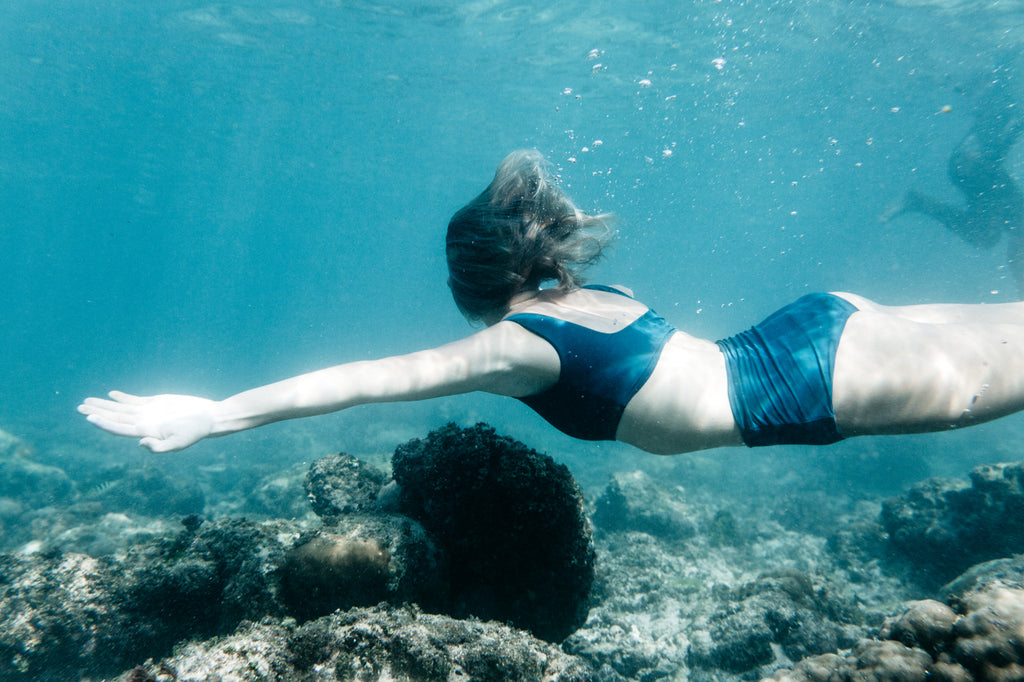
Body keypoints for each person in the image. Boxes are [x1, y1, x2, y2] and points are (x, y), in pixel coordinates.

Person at [80, 150, 1024, 456]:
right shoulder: (578, 292)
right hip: (818, 330)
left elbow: (364, 380)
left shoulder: (515, 344)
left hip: (821, 381)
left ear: (472, 288)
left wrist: (214, 414)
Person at [880, 77, 1024, 291]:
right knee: (998, 232)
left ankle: (917, 202)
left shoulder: (1004, 113)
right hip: (974, 168)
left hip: (972, 169)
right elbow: (994, 140)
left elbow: (998, 139)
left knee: (986, 237)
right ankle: (917, 202)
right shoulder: (1003, 111)